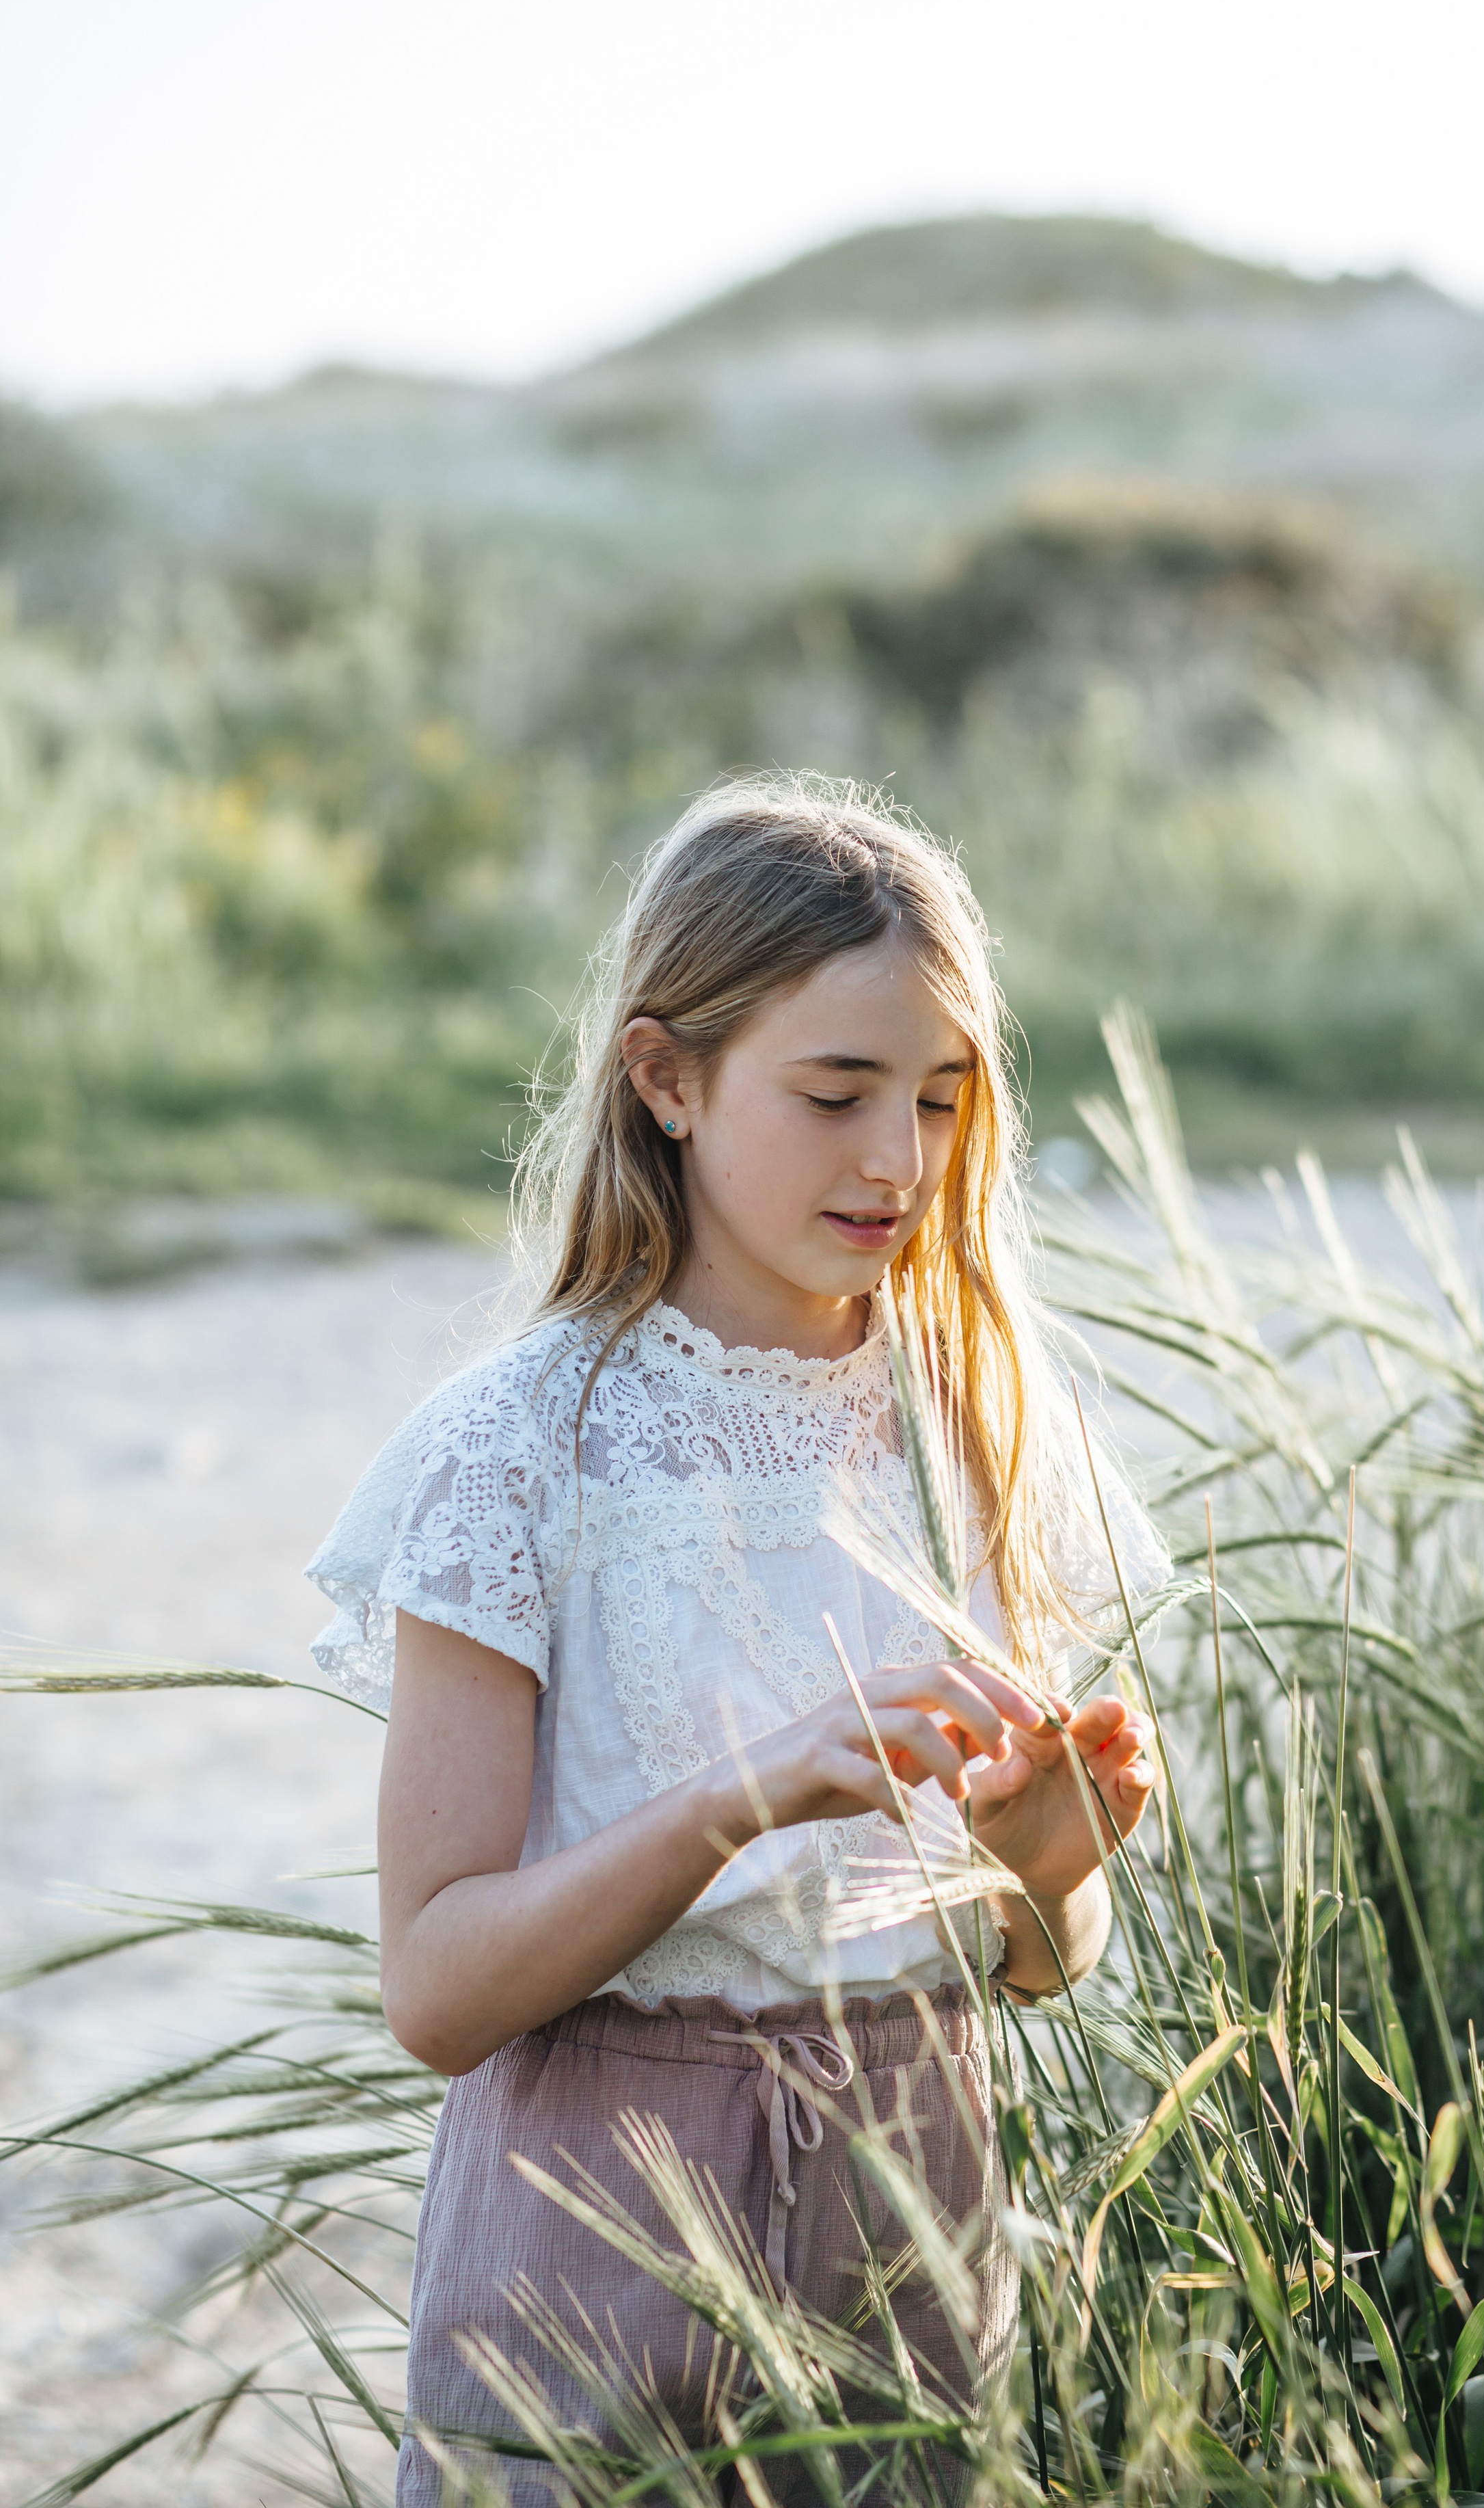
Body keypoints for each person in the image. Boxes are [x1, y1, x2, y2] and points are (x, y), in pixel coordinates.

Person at [306, 778, 1163, 2505]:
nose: (895, 1161)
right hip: (595, 2198)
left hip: (918, 2179)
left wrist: (1041, 1866)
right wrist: (742, 1799)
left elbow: (1037, 1962)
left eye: (938, 1099)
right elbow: (437, 1988)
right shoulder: (526, 1445)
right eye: (835, 1093)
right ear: (666, 1080)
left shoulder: (974, 1424)